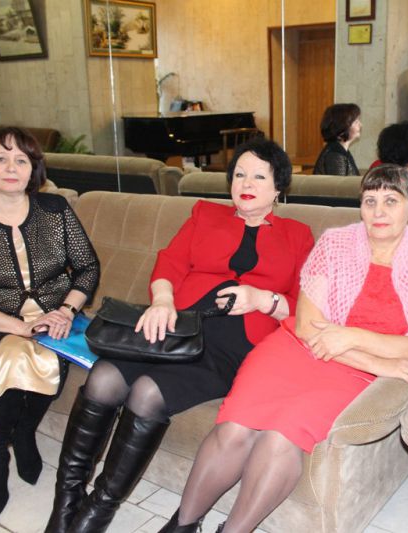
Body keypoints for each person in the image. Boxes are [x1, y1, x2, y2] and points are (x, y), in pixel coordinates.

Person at [158, 164, 408, 533]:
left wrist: (350, 337)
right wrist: (376, 360)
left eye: (391, 201)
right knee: (234, 428)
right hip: (295, 349)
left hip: (353, 374)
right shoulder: (334, 245)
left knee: (279, 439)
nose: (379, 212)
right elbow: (305, 325)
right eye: (370, 201)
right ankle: (181, 526)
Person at [45, 138, 314, 533]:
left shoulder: (298, 235)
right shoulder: (205, 215)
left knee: (147, 392)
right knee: (103, 377)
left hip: (230, 347)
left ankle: (99, 508)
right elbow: (169, 263)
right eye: (239, 174)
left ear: (279, 187)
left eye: (259, 176)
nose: (246, 183)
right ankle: (67, 500)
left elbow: (304, 306)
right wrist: (162, 300)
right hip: (175, 327)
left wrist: (262, 298)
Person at [0, 127, 100, 519]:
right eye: (0, 158)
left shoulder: (55, 210)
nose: (11, 167)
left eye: (21, 160)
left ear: (34, 169)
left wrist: (66, 311)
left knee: (44, 362)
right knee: (15, 356)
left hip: (58, 316)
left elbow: (87, 267)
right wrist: (20, 327)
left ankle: (23, 433)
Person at [312, 103, 361, 176]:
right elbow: (339, 182)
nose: (360, 125)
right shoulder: (335, 154)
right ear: (342, 126)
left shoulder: (340, 150)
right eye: (356, 122)